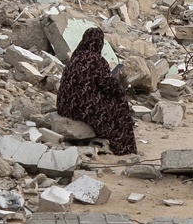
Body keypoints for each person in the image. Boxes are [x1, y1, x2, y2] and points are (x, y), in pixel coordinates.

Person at [55, 27, 137, 155]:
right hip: (82, 108)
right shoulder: (97, 61)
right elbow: (108, 86)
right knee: (119, 103)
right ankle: (123, 147)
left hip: (65, 105)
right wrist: (117, 83)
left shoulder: (75, 58)